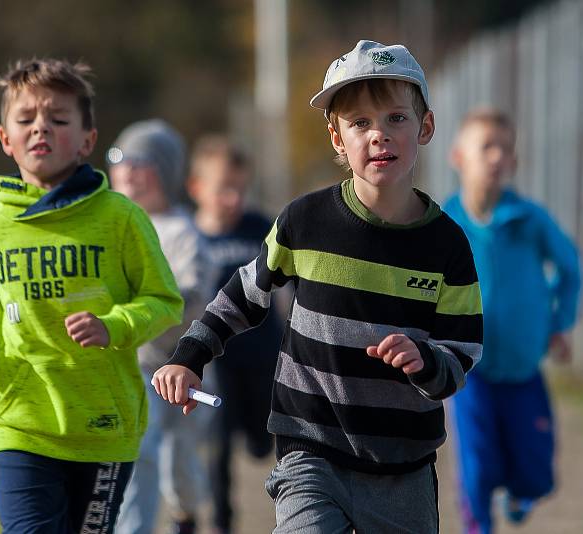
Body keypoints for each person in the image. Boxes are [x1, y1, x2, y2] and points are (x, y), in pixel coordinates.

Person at [152, 39, 484, 533]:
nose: (379, 136)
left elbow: (463, 351)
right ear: (336, 137)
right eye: (360, 123)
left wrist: (427, 359)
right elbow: (244, 294)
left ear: (426, 127)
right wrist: (189, 356)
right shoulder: (304, 221)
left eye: (396, 118)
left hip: (403, 464)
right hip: (309, 448)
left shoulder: (447, 245)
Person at [0, 58, 183, 534]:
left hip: (103, 427)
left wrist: (112, 325)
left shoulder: (121, 217)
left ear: (88, 139)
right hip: (18, 421)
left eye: (59, 119)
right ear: (5, 138)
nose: (40, 129)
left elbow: (163, 299)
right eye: (25, 119)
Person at [444, 107, 583, 534]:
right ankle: (478, 525)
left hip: (524, 369)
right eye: (487, 146)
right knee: (478, 465)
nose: (497, 156)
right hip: (471, 373)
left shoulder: (530, 219)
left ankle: (522, 495)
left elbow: (570, 269)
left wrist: (560, 323)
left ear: (515, 162)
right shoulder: (444, 225)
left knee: (536, 469)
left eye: (506, 148)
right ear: (459, 157)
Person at [107, 119, 214, 534]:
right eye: (120, 160)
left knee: (181, 468)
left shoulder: (182, 232)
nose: (129, 171)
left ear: (165, 172)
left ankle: (184, 519)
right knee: (140, 452)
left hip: (178, 366)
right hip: (130, 367)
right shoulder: (112, 228)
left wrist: (141, 314)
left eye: (142, 162)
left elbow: (191, 299)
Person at [186, 135, 283, 534]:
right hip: (216, 362)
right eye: (224, 189)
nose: (233, 198)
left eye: (240, 189)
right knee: (219, 443)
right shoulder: (189, 237)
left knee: (263, 443)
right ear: (197, 188)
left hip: (263, 355)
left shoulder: (260, 228)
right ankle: (223, 523)